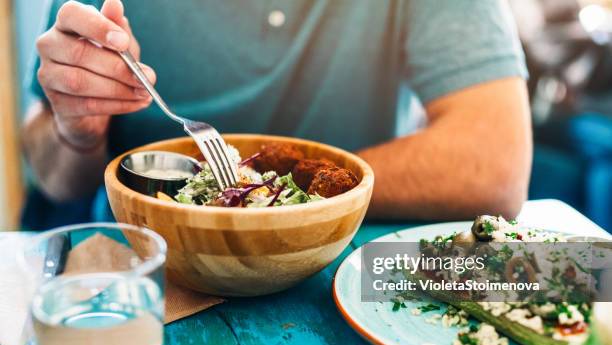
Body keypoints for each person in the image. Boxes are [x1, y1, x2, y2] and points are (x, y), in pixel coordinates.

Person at [22, 0, 532, 222]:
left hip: (347, 269)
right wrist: (78, 132)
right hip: (140, 272)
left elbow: (494, 165)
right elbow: (53, 177)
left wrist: (284, 203)